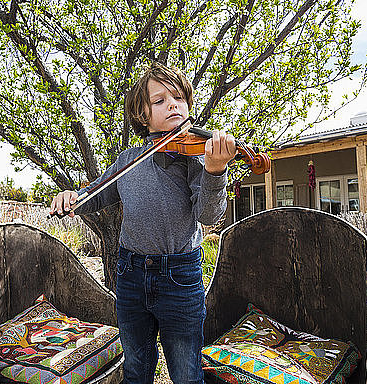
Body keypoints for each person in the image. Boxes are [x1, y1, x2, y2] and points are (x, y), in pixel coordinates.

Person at [50, 63, 236, 384]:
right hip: (131, 275)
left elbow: (208, 215)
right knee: (136, 368)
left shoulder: (196, 158)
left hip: (178, 278)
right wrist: (73, 198)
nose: (172, 104)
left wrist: (216, 170)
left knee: (186, 373)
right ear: (142, 114)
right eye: (160, 100)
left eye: (178, 97)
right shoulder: (128, 160)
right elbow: (96, 194)